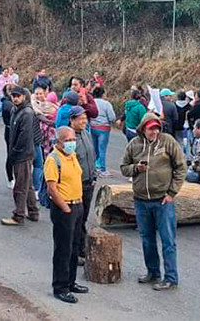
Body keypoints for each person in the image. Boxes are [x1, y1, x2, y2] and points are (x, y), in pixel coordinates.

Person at [120, 112, 185, 291]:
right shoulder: (134, 144)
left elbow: (181, 167)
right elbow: (124, 168)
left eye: (157, 128)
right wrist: (136, 168)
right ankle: (153, 272)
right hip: (141, 200)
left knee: (168, 240)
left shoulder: (168, 142)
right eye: (151, 129)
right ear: (143, 128)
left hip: (163, 200)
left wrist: (172, 192)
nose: (154, 132)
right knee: (147, 239)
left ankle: (171, 277)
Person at [45, 126, 88, 304]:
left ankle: (71, 282)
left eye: (73, 140)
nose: (71, 143)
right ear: (59, 142)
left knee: (74, 247)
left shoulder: (72, 157)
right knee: (63, 249)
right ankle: (60, 287)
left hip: (77, 205)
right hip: (65, 208)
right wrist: (65, 207)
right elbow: (52, 188)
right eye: (67, 141)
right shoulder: (53, 159)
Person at [1, 87, 40, 226]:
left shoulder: (27, 113)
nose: (15, 98)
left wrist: (15, 152)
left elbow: (24, 136)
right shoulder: (15, 110)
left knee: (20, 187)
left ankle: (18, 215)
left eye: (18, 96)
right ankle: (33, 212)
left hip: (23, 154)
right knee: (27, 184)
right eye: (13, 96)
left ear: (24, 96)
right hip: (19, 153)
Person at [68, 106, 96, 265]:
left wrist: (93, 175)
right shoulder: (69, 139)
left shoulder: (86, 134)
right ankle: (75, 251)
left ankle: (81, 249)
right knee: (76, 220)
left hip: (88, 183)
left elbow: (91, 156)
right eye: (80, 118)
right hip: (76, 186)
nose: (84, 121)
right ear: (72, 120)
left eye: (85, 118)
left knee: (83, 219)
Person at [90, 87, 116, 176]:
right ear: (103, 94)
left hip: (92, 127)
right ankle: (102, 169)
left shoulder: (91, 102)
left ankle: (92, 168)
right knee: (102, 150)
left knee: (94, 149)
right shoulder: (106, 104)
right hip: (103, 129)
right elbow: (112, 117)